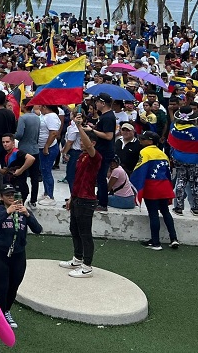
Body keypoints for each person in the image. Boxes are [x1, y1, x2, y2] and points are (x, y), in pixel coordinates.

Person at [0, 185, 43, 329]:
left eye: (13, 194)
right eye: (7, 195)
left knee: (13, 286)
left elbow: (38, 230)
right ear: (1, 197)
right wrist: (7, 211)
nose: (11, 197)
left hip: (18, 255)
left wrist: (28, 215)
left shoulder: (24, 212)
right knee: (2, 287)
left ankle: (6, 311)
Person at [59, 118, 101, 277]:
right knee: (74, 230)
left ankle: (87, 266)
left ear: (93, 143)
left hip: (87, 200)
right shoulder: (80, 157)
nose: (81, 142)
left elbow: (89, 145)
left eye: (84, 140)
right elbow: (77, 181)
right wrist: (71, 198)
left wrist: (78, 126)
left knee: (85, 233)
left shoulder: (95, 156)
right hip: (77, 198)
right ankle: (77, 258)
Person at [135, 130, 179, 250]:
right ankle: (173, 238)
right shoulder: (162, 153)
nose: (140, 141)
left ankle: (155, 243)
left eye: (142, 139)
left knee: (153, 214)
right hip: (164, 186)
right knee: (165, 212)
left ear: (150, 141)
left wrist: (135, 183)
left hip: (152, 186)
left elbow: (140, 169)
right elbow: (168, 172)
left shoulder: (144, 151)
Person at [88, 93, 117, 212]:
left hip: (105, 152)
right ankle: (98, 199)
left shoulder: (108, 117)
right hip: (101, 150)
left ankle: (103, 203)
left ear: (103, 103)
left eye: (97, 102)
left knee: (101, 178)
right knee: (98, 177)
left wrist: (92, 131)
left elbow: (108, 136)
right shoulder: (104, 116)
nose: (96, 104)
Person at [15, 106, 41, 207]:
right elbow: (38, 133)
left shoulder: (23, 118)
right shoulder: (37, 118)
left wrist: (13, 135)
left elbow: (19, 134)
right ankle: (33, 200)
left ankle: (23, 197)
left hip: (24, 150)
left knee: (22, 175)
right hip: (35, 149)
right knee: (35, 177)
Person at [37, 104, 62, 206]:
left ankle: (50, 196)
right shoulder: (44, 116)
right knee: (43, 170)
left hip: (49, 147)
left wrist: (46, 146)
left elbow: (53, 133)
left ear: (45, 107)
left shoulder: (51, 116)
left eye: (41, 106)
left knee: (47, 171)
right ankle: (46, 192)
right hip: (41, 146)